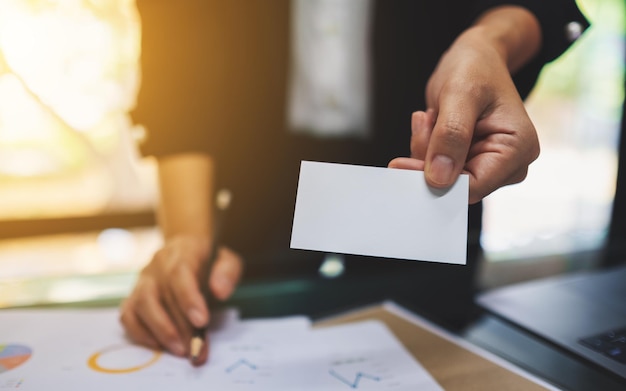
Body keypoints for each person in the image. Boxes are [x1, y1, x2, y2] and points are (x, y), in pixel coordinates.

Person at [121, 0, 588, 365]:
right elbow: (179, 55)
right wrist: (188, 237)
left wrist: (489, 43)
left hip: (417, 177)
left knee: (431, 348)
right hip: (258, 196)